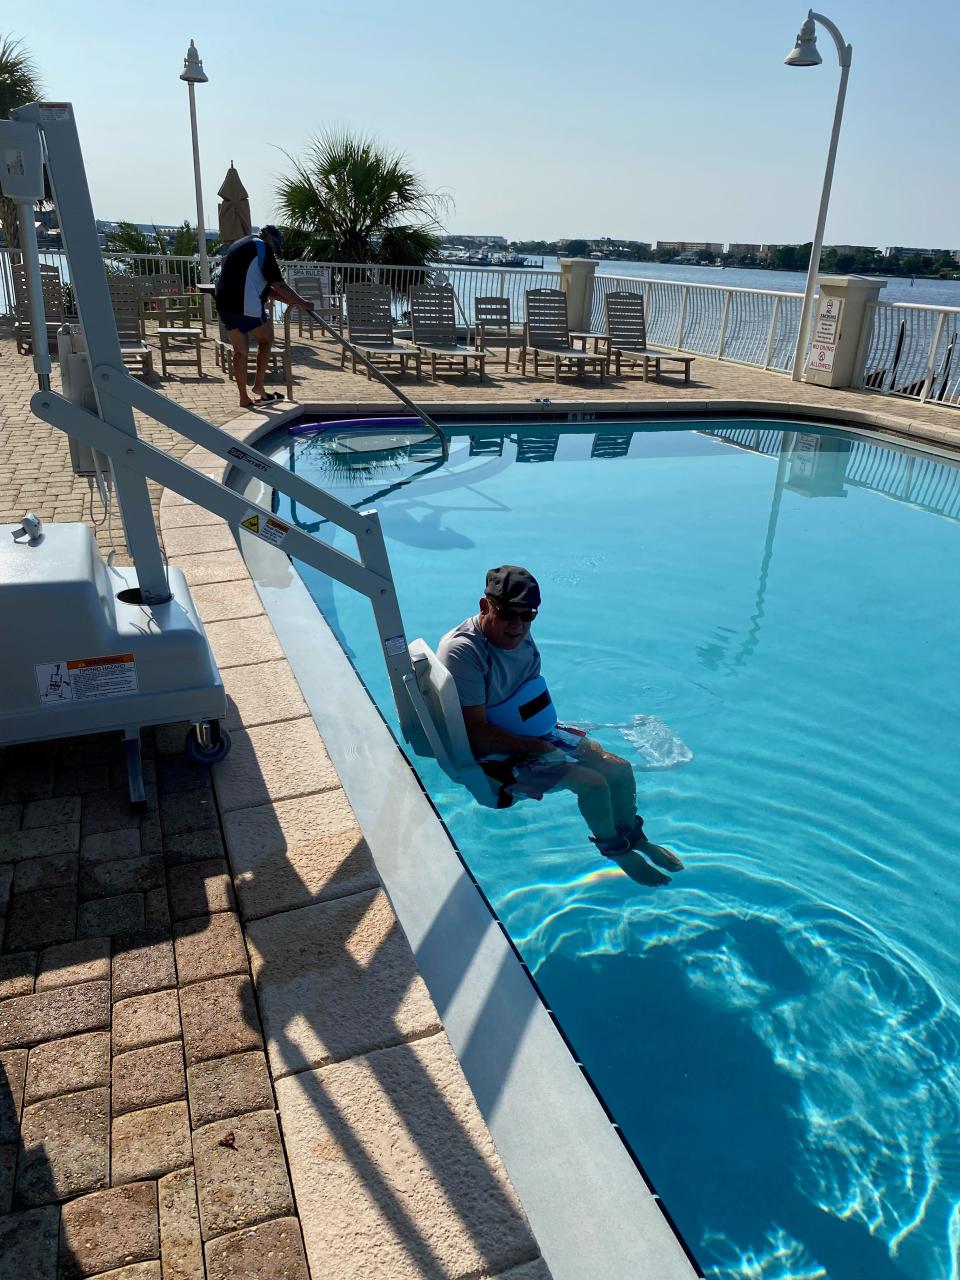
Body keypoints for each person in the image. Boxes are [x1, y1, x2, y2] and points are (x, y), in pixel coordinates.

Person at [437, 565, 683, 876]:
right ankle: (616, 850)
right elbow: (477, 734)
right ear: (485, 607)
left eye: (528, 616)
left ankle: (636, 839)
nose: (518, 625)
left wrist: (546, 740)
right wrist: (538, 747)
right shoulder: (465, 651)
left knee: (619, 770)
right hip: (496, 756)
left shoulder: (516, 635)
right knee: (592, 784)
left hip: (533, 734)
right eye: (508, 614)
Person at [214, 225, 312, 409]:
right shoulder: (263, 247)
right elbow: (280, 285)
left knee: (240, 351)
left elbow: (270, 289)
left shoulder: (242, 243)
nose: (274, 251)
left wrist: (291, 301)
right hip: (244, 303)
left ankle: (244, 398)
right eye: (275, 247)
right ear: (270, 240)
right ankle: (258, 386)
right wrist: (302, 303)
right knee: (266, 339)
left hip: (223, 303)